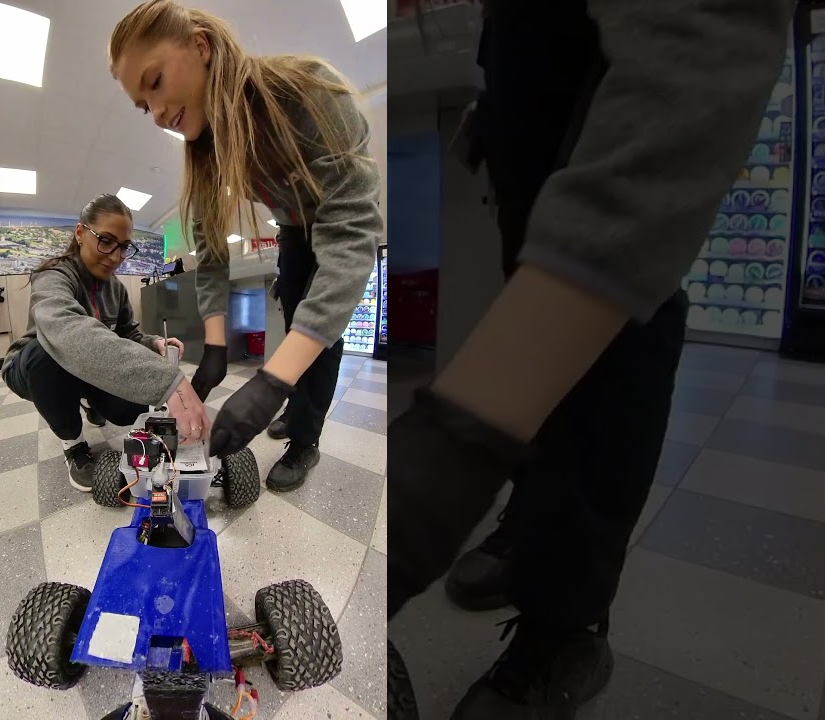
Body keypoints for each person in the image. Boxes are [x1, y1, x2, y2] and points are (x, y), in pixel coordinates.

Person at [386, 0, 796, 718]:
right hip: (521, 47)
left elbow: (699, 44)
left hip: (605, 41)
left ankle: (566, 628)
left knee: (608, 320)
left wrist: (453, 451)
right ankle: (536, 515)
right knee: (531, 274)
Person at [108, 0, 383, 493]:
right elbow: (211, 255)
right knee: (296, 310)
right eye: (143, 105)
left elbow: (351, 233)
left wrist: (270, 383)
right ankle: (297, 408)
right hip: (294, 232)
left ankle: (305, 439)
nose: (155, 113)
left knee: (318, 330)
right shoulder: (207, 150)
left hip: (333, 222)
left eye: (155, 83)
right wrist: (215, 347)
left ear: (200, 45)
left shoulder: (307, 93)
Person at [1, 193, 203, 492]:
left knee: (127, 411)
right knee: (48, 353)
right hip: (34, 366)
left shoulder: (117, 290)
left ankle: (87, 399)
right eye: (106, 241)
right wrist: (167, 380)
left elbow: (129, 334)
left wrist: (154, 344)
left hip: (85, 367)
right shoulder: (54, 276)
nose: (115, 256)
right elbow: (66, 330)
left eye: (123, 247)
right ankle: (73, 444)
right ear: (81, 234)